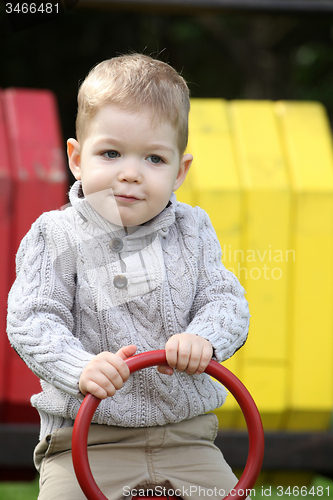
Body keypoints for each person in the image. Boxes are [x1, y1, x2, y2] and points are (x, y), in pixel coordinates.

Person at [7, 53, 250, 500]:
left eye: (154, 159)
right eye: (111, 153)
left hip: (185, 438)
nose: (130, 173)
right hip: (86, 440)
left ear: (179, 171)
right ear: (77, 159)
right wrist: (81, 368)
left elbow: (226, 301)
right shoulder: (56, 234)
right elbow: (32, 320)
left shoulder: (193, 230)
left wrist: (205, 337)